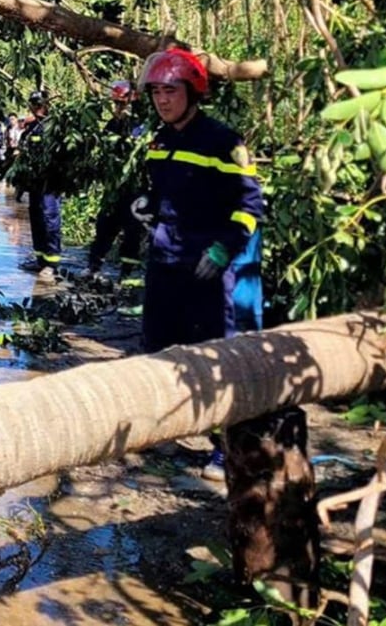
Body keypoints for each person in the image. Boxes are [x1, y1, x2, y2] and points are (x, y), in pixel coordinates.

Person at [134, 47, 264, 480]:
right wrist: (145, 206)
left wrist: (225, 247)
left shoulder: (226, 142)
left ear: (192, 92)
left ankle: (224, 448)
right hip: (165, 261)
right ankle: (164, 430)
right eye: (155, 93)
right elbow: (161, 194)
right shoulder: (159, 141)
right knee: (158, 350)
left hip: (207, 267)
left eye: (170, 91)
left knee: (213, 353)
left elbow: (250, 207)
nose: (162, 101)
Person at [86, 80, 144, 279]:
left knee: (132, 231)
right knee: (104, 225)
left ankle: (126, 275)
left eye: (121, 104)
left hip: (136, 190)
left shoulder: (142, 127)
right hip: (114, 188)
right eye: (116, 104)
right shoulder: (113, 124)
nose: (118, 108)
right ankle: (93, 266)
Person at [16, 92, 62, 275]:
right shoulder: (32, 128)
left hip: (50, 183)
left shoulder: (54, 127)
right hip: (35, 183)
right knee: (36, 218)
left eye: (39, 103)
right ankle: (40, 259)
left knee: (49, 218)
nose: (36, 107)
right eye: (33, 103)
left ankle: (51, 263)